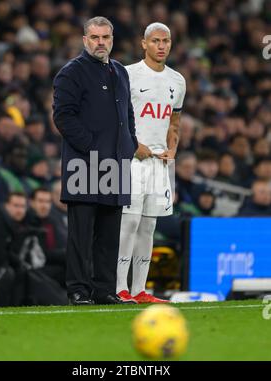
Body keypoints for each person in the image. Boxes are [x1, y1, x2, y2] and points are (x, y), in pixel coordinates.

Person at [53, 16, 138, 305]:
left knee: (109, 232)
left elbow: (128, 113)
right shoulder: (71, 73)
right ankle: (78, 289)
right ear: (84, 39)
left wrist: (130, 144)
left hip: (116, 163)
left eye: (105, 37)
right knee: (81, 233)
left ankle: (105, 289)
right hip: (84, 165)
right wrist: (92, 148)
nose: (100, 42)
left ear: (112, 39)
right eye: (94, 37)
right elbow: (63, 116)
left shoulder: (120, 71)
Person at [116, 22, 186, 303]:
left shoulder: (177, 80)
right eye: (155, 41)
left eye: (166, 41)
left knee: (149, 227)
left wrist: (172, 148)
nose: (161, 46)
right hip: (132, 160)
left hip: (160, 165)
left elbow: (175, 121)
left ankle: (140, 290)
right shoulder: (129, 74)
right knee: (128, 224)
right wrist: (134, 145)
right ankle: (119, 287)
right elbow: (117, 117)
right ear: (143, 43)